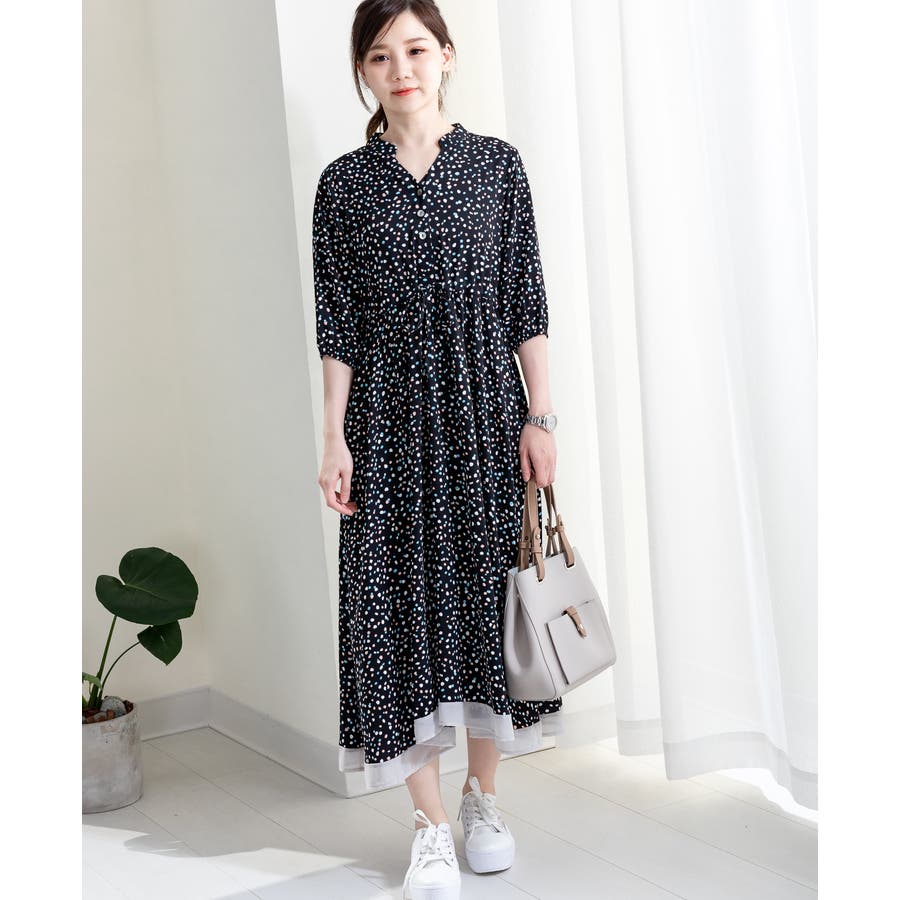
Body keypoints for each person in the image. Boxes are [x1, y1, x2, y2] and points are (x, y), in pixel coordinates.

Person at [313, 2, 562, 897]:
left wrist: (542, 418)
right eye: (381, 57)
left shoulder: (497, 167)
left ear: (447, 56)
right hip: (384, 425)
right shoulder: (343, 186)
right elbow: (337, 326)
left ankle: (481, 799)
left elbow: (525, 301)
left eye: (416, 49)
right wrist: (334, 436)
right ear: (365, 72)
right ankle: (426, 823)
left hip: (486, 417)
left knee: (485, 603)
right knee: (388, 609)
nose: (401, 69)